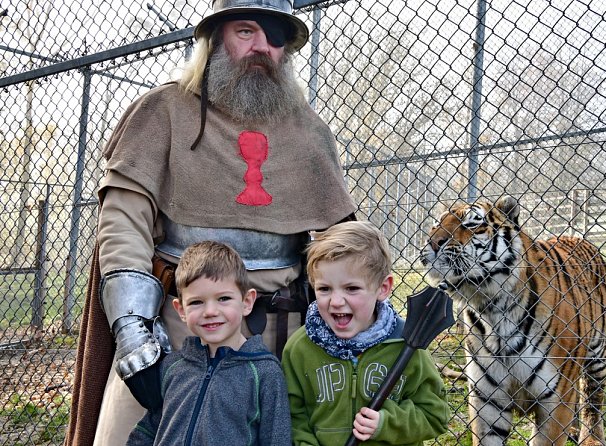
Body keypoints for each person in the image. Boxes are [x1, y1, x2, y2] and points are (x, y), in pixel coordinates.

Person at [64, 0, 357, 444]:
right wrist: (131, 329)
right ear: (214, 40)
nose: (261, 46)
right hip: (180, 323)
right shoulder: (162, 110)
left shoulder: (309, 131)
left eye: (274, 36)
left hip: (284, 331)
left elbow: (340, 239)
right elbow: (124, 221)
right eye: (245, 31)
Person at [282, 221, 450, 445]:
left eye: (351, 288)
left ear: (383, 288)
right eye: (324, 289)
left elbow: (435, 416)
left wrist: (386, 423)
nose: (336, 301)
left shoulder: (405, 345)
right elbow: (294, 418)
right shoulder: (299, 349)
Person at [126, 241, 291, 445]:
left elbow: (277, 438)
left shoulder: (265, 373)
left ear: (247, 302)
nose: (210, 311)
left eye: (223, 298)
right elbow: (150, 428)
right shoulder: (173, 367)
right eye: (197, 302)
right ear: (181, 310)